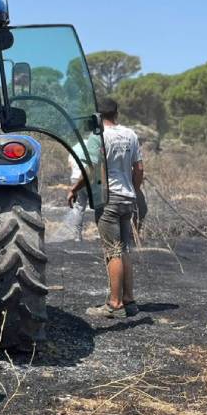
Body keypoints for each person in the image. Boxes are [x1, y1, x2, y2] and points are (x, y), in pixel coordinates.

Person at [71, 98, 143, 318]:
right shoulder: (131, 134)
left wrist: (74, 189)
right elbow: (138, 168)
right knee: (125, 249)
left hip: (109, 199)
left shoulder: (98, 137)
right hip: (127, 198)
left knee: (112, 252)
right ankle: (129, 301)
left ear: (98, 117)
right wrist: (134, 190)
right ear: (116, 113)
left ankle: (114, 303)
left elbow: (91, 169)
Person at [64, 154, 89, 241]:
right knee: (100, 205)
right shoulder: (93, 145)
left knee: (79, 207)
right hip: (89, 178)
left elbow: (69, 165)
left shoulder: (73, 149)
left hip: (75, 178)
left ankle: (77, 236)